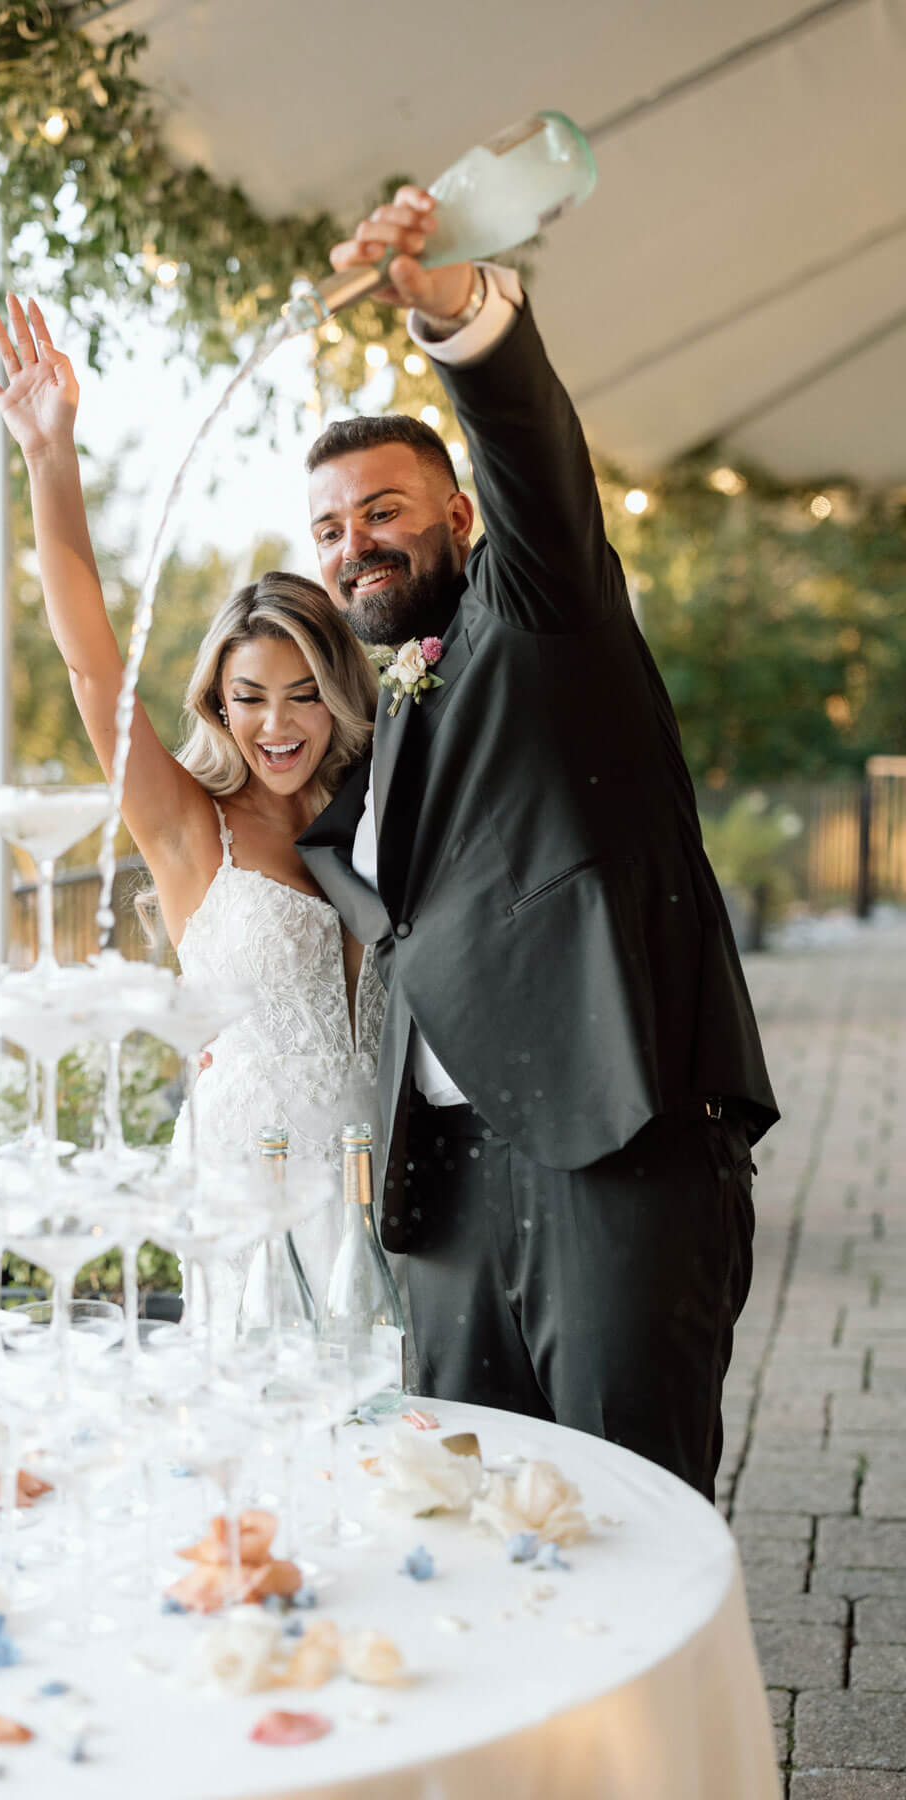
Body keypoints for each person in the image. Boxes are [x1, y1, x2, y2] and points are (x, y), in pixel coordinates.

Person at [296, 187, 779, 1500]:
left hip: (614, 1152)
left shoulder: (540, 618)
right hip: (440, 1201)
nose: (356, 545)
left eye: (384, 509)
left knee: (625, 1521)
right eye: (331, 529)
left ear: (459, 519)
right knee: (460, 1519)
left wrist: (460, 316)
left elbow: (532, 456)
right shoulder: (375, 729)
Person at [0, 296, 386, 1310]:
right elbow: (90, 670)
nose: (277, 726)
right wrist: (49, 456)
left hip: (384, 1180)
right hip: (252, 1181)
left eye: (303, 697)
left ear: (338, 695)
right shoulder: (191, 827)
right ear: (218, 702)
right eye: (249, 699)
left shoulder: (379, 814)